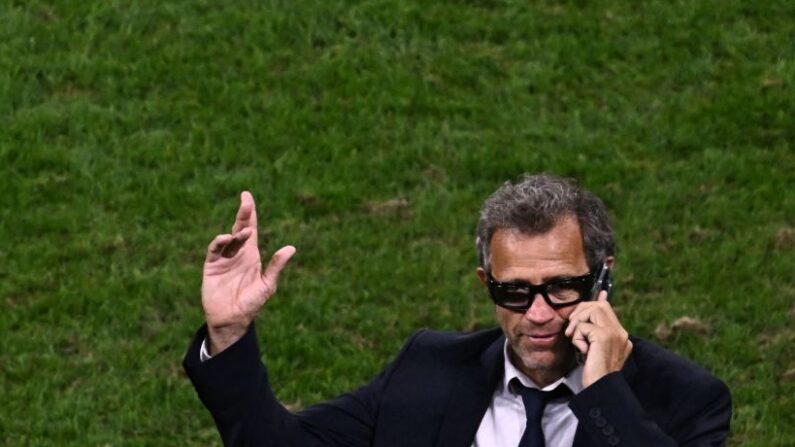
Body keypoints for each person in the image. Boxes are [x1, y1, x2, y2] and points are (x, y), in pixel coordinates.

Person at [183, 174, 731, 446]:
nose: (537, 314)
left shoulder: (684, 399)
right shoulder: (428, 368)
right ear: (484, 282)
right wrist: (229, 331)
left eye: (562, 288)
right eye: (513, 292)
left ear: (603, 277)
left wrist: (604, 391)